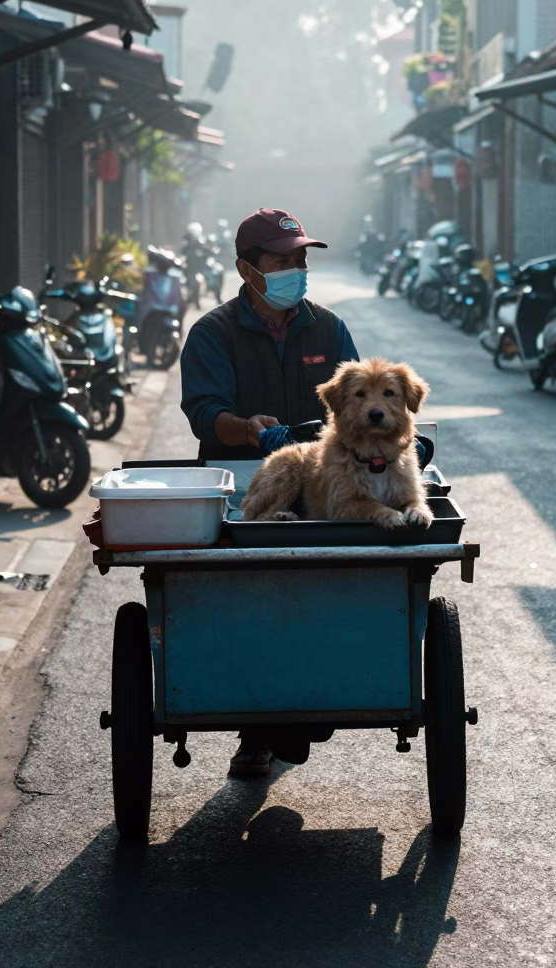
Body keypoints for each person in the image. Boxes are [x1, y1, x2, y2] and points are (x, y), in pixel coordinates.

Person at [180, 206, 359, 776]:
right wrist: (245, 428)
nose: (295, 270)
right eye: (282, 261)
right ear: (247, 269)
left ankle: (308, 703)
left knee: (327, 591)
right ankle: (256, 727)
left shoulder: (328, 329)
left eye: (300, 260)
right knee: (248, 597)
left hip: (320, 484)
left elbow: (360, 400)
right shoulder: (213, 333)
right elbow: (206, 413)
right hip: (239, 488)